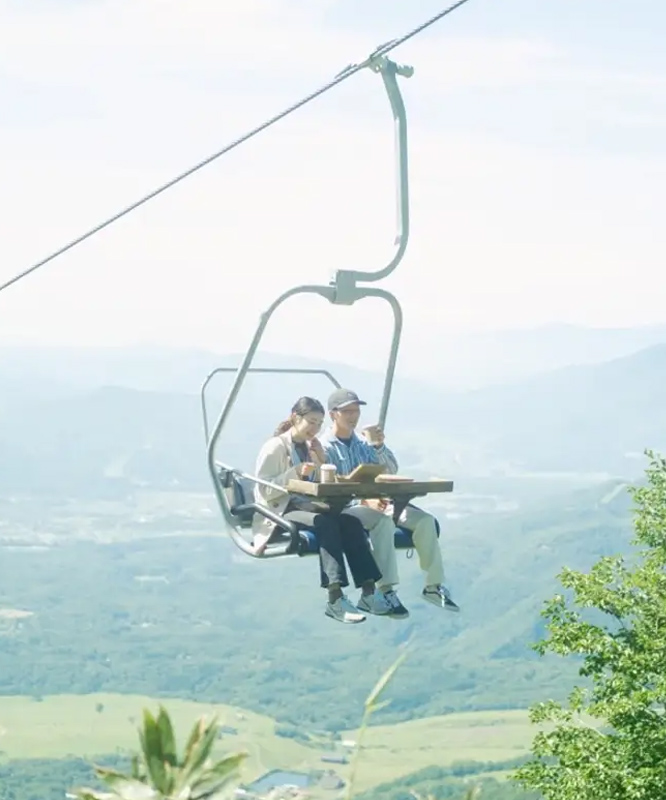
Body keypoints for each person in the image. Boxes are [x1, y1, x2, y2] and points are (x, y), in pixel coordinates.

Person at [319, 388, 460, 615]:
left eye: (356, 411)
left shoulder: (362, 444)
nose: (354, 416)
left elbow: (391, 469)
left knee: (424, 521)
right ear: (333, 414)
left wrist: (378, 446)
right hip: (349, 508)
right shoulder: (324, 447)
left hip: (379, 502)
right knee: (382, 522)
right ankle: (386, 589)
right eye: (348, 412)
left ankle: (433, 586)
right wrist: (365, 499)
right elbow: (329, 484)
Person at [252, 396, 393, 624]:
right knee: (324, 524)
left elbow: (316, 482)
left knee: (350, 522)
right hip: (281, 509)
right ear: (295, 418)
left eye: (319, 423)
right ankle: (335, 597)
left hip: (306, 504)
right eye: (311, 422)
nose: (315, 429)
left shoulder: (310, 447)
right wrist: (295, 472)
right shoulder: (276, 447)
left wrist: (320, 460)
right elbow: (264, 491)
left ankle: (368, 591)